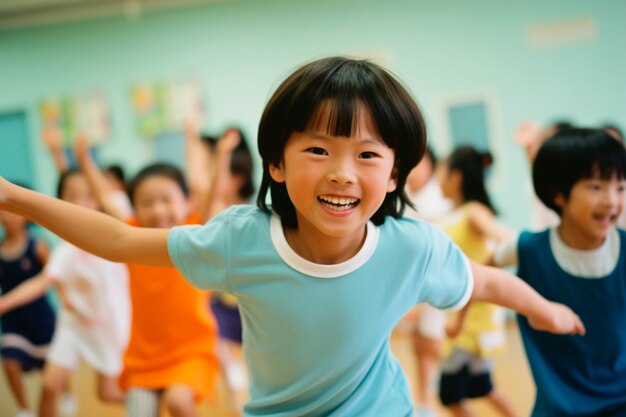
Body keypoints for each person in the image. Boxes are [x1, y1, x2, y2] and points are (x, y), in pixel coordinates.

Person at [0, 56, 584, 417]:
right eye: (317, 150)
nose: (341, 172)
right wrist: (13, 196)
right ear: (276, 164)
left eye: (367, 155)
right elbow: (122, 242)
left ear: (396, 172)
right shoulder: (241, 241)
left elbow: (483, 280)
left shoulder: (412, 246)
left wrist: (546, 309)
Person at [74, 141, 220, 417]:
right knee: (138, 412)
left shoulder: (194, 232)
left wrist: (221, 155)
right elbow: (105, 199)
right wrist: (84, 160)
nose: (158, 210)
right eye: (146, 202)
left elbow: (208, 192)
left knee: (179, 402)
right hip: (144, 357)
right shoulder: (133, 239)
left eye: (167, 200)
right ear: (135, 208)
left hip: (191, 349)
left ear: (186, 201)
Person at [492, 128, 626, 417]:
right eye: (596, 187)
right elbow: (482, 272)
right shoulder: (527, 248)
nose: (612, 201)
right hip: (557, 406)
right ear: (558, 194)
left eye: (620, 188)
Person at [0, 170, 130, 417]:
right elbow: (42, 282)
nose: (80, 202)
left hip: (107, 326)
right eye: (72, 196)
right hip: (73, 323)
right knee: (49, 385)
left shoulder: (115, 234)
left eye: (87, 195)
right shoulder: (66, 250)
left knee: (106, 393)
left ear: (98, 199)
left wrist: (82, 159)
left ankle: (148, 404)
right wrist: (4, 303)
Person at [435, 146, 517, 417]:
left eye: (442, 172)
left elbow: (504, 236)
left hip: (474, 317)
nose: (438, 179)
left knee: (450, 394)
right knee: (480, 387)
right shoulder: (453, 215)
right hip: (465, 314)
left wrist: (523, 246)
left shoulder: (474, 212)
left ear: (456, 178)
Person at [185, 122, 254, 413]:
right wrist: (191, 135)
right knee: (230, 366)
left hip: (248, 301)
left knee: (250, 368)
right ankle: (239, 407)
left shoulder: (250, 213)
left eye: (222, 168)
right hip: (220, 302)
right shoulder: (213, 209)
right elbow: (201, 181)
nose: (213, 173)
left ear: (238, 178)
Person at [400, 146, 452, 417]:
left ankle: (429, 399)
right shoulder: (405, 196)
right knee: (418, 341)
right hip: (412, 282)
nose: (413, 172)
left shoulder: (438, 200)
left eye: (419, 165)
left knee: (431, 342)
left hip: (435, 283)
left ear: (431, 165)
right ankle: (424, 400)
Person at [0, 206, 55, 417]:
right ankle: (24, 408)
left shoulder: (37, 246)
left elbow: (54, 276)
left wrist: (68, 298)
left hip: (40, 317)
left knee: (49, 370)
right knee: (10, 360)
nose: (7, 216)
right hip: (13, 320)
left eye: (12, 211)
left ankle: (65, 393)